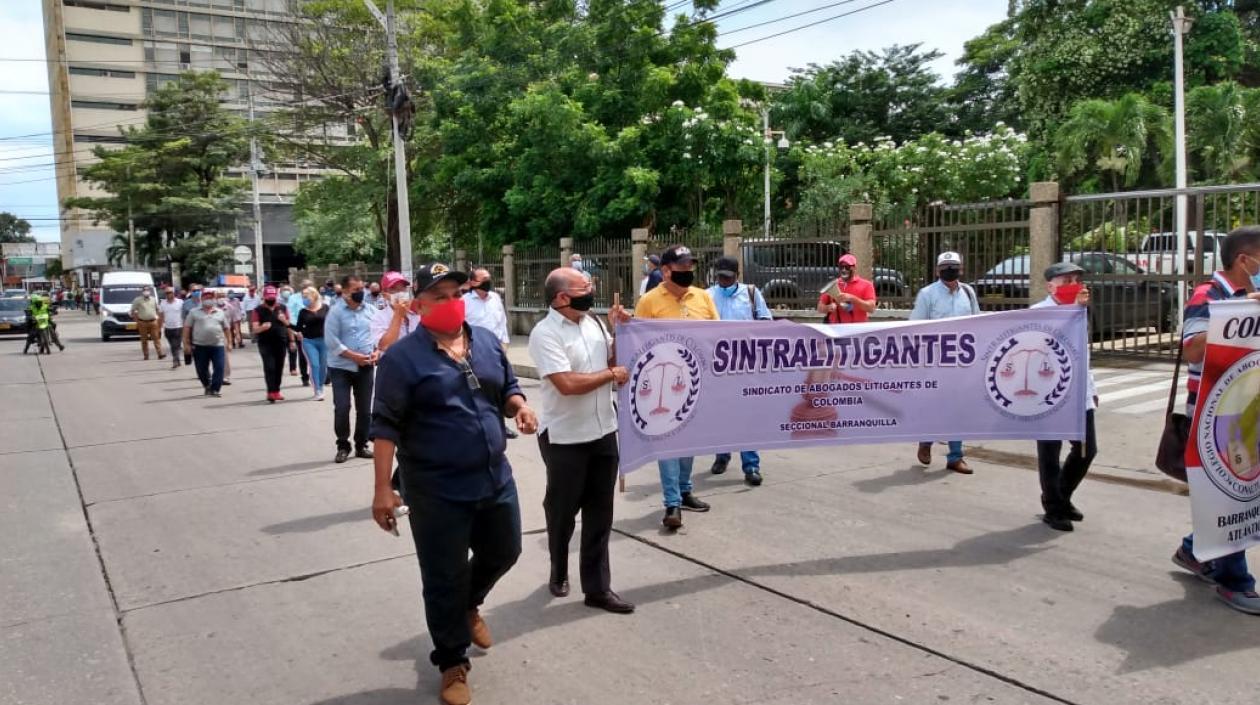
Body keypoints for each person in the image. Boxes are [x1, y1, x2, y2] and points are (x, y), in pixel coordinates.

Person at [370, 262, 538, 705]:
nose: (450, 302)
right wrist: (382, 489)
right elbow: (384, 424)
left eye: (455, 292)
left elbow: (507, 386)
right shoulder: (402, 358)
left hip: (492, 475)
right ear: (418, 305)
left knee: (506, 549)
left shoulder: (482, 340)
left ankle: (469, 604)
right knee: (443, 575)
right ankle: (451, 662)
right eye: (439, 296)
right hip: (434, 487)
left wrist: (519, 406)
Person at [529, 267, 634, 613]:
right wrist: (610, 374)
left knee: (600, 515)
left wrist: (620, 334)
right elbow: (567, 384)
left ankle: (598, 588)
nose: (591, 290)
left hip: (604, 432)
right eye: (583, 287)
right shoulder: (545, 334)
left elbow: (614, 362)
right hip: (565, 439)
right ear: (561, 297)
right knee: (562, 514)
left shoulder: (593, 324)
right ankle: (558, 568)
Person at [1171, 226, 1260, 614]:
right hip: (1215, 413)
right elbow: (1192, 349)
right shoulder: (1208, 296)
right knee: (1232, 491)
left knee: (1244, 492)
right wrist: (1238, 314)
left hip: (1249, 408)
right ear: (1245, 260)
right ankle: (1234, 581)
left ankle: (1194, 549)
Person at [610, 244, 719, 530]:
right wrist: (623, 325)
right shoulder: (649, 301)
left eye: (690, 268)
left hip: (695, 382)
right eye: (682, 268)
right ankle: (671, 503)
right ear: (666, 271)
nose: (688, 272)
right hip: (662, 387)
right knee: (668, 444)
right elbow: (638, 340)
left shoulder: (704, 297)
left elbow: (718, 335)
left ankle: (684, 491)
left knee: (689, 442)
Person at [1031, 262, 1098, 532]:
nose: (1074, 283)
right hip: (1045, 393)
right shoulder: (1037, 313)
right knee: (1050, 452)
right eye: (1066, 279)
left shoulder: (1081, 311)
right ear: (1051, 286)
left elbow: (1084, 354)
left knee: (1086, 450)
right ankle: (1054, 508)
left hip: (1078, 391)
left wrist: (1092, 390)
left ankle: (1060, 495)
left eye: (1077, 279)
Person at [909, 251, 981, 474]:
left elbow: (978, 322)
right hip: (935, 361)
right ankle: (926, 440)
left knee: (957, 408)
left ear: (961, 268)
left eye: (954, 266)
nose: (950, 270)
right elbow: (915, 328)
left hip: (961, 361)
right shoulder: (927, 294)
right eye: (946, 267)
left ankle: (955, 456)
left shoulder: (968, 293)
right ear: (937, 271)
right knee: (935, 406)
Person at [705, 256, 771, 485]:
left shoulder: (751, 294)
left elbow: (765, 322)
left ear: (737, 276)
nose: (723, 281)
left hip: (745, 366)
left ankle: (751, 466)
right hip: (717, 366)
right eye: (720, 277)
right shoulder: (707, 295)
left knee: (746, 415)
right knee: (721, 414)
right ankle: (722, 455)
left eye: (728, 277)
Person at [325, 274, 378, 463]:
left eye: (362, 289)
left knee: (365, 410)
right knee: (342, 407)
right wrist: (354, 356)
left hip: (366, 366)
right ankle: (342, 445)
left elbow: (378, 334)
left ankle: (361, 444)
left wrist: (376, 352)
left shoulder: (371, 310)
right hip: (341, 367)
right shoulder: (336, 312)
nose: (360, 293)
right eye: (356, 290)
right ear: (346, 291)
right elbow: (332, 342)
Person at [183, 289, 229, 397]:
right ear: (202, 299)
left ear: (214, 299)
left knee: (220, 367)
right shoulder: (194, 312)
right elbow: (187, 328)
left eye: (210, 298)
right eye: (206, 297)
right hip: (199, 346)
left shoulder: (220, 312)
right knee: (201, 369)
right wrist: (186, 344)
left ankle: (215, 389)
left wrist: (230, 342)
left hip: (217, 345)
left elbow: (226, 328)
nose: (208, 300)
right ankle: (207, 385)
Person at [250, 285, 292, 403]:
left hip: (281, 341)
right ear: (264, 297)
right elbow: (255, 329)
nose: (270, 299)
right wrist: (262, 328)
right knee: (270, 367)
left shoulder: (283, 308)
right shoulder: (258, 310)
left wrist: (292, 340)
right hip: (265, 343)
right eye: (268, 297)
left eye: (272, 296)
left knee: (279, 366)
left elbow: (289, 324)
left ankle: (276, 391)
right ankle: (270, 392)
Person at [818, 253, 877, 324]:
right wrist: (828, 308)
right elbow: (820, 308)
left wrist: (852, 298)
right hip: (835, 329)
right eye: (841, 267)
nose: (844, 270)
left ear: (854, 268)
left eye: (847, 267)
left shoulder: (866, 285)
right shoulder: (833, 285)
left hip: (857, 330)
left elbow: (871, 308)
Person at [372, 271, 421, 352]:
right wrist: (398, 315)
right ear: (385, 294)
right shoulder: (378, 317)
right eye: (393, 289)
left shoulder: (416, 313)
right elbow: (385, 346)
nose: (400, 292)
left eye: (403, 288)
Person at [296, 285, 330, 401]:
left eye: (306, 296)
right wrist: (298, 333)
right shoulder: (303, 312)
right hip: (309, 341)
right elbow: (298, 327)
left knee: (323, 365)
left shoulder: (325, 308)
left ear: (314, 296)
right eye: (303, 296)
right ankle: (317, 390)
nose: (304, 299)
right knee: (314, 365)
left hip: (324, 340)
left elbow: (332, 323)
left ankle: (321, 385)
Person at [463, 269, 510, 347]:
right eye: (485, 279)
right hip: (474, 348)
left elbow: (502, 322)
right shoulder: (464, 301)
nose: (488, 281)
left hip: (496, 346)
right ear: (473, 282)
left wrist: (505, 343)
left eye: (489, 279)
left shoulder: (495, 297)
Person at [286, 281, 312, 386]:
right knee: (303, 354)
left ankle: (319, 376)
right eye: (305, 288)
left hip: (313, 328)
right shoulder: (293, 298)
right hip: (299, 329)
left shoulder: (315, 297)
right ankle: (305, 376)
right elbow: (290, 315)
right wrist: (293, 332)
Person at [130, 286, 164, 361]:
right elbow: (132, 311)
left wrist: (159, 320)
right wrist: (137, 321)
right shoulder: (137, 300)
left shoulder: (153, 299)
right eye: (144, 290)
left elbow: (157, 309)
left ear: (150, 291)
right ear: (142, 291)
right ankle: (146, 355)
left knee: (156, 338)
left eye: (147, 290)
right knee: (144, 340)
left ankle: (160, 354)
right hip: (142, 322)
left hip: (153, 322)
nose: (146, 291)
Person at [158, 287, 185, 369]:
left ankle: (175, 361)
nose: (168, 294)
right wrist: (160, 327)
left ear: (174, 293)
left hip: (179, 327)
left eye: (170, 292)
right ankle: (177, 360)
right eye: (166, 293)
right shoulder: (162, 303)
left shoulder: (180, 302)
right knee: (172, 345)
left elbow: (184, 314)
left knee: (175, 345)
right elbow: (161, 316)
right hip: (168, 328)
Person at [180, 285, 202, 366]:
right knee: (190, 348)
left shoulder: (203, 302)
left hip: (201, 330)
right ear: (190, 292)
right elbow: (183, 318)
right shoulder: (186, 303)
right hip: (190, 329)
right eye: (194, 290)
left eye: (198, 290)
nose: (196, 292)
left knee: (201, 350)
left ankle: (203, 367)